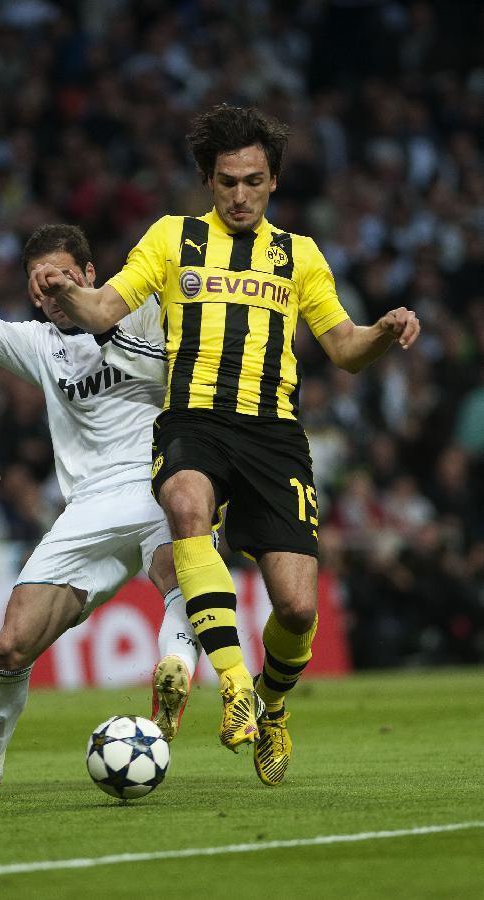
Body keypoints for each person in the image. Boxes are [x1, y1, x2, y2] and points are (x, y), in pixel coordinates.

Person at [28, 104, 421, 786]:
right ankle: (234, 683)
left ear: (273, 182)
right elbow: (105, 307)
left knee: (297, 608)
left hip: (272, 433)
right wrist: (70, 293)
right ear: (207, 181)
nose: (239, 195)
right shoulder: (170, 239)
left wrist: (384, 330)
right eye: (226, 181)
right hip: (193, 421)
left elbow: (344, 349)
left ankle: (270, 707)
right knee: (184, 504)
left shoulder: (298, 255)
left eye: (252, 181)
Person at [0, 181, 200, 801]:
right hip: (89, 507)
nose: (50, 289)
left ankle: (170, 688)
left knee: (183, 573)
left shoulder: (145, 312)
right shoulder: (41, 347)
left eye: (61, 276)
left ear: (90, 273)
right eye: (38, 281)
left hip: (163, 481)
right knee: (11, 644)